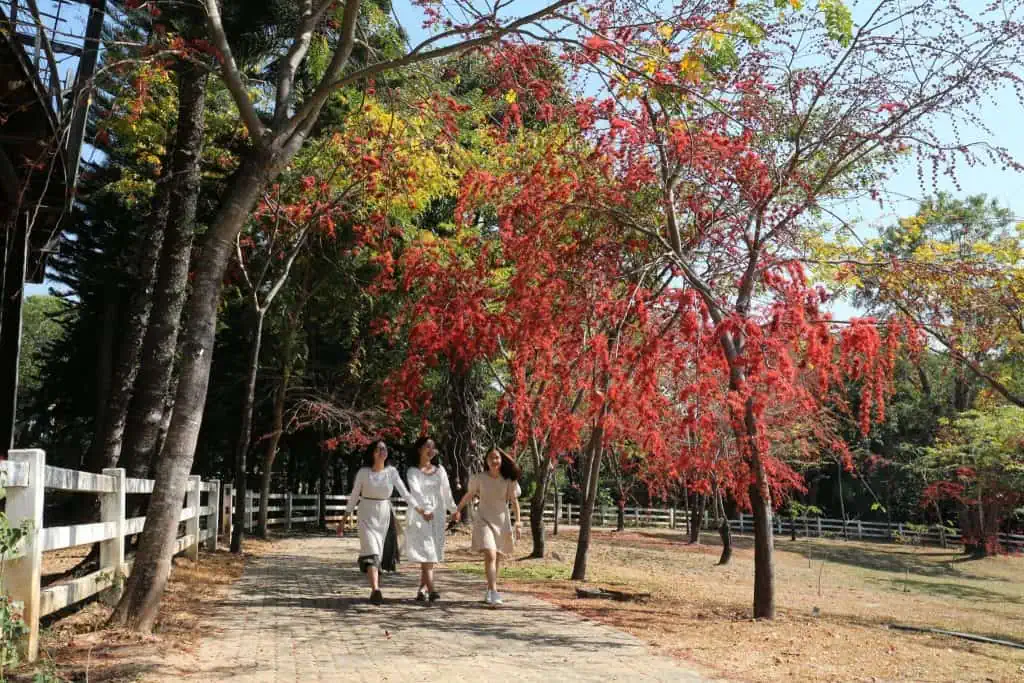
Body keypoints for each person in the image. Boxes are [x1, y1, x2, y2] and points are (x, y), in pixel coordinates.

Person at [342, 440, 429, 605]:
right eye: (379, 449)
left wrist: (419, 509)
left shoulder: (391, 472)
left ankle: (376, 587)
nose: (383, 451)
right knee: (371, 551)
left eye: (385, 449)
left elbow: (405, 493)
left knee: (379, 553)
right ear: (372, 453)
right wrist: (345, 517)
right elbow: (354, 495)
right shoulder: (363, 472)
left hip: (384, 514)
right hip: (366, 513)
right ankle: (375, 589)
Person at [454, 447, 522, 606]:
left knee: (497, 556)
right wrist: (457, 510)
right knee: (490, 553)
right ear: (486, 460)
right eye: (491, 458)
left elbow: (514, 502)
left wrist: (518, 522)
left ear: (501, 460)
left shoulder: (508, 480)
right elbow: (469, 495)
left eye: (497, 458)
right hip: (483, 519)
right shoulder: (479, 478)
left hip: (502, 520)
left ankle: (491, 588)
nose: (494, 461)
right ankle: (493, 591)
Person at [405, 436, 457, 603]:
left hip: (438, 514)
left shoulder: (439, 470)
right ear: (419, 449)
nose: (430, 450)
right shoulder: (412, 471)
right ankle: (432, 589)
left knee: (431, 552)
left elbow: (446, 492)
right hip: (421, 514)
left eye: (433, 447)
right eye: (427, 446)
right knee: (427, 551)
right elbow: (416, 492)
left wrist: (454, 509)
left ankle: (422, 589)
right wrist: (425, 510)